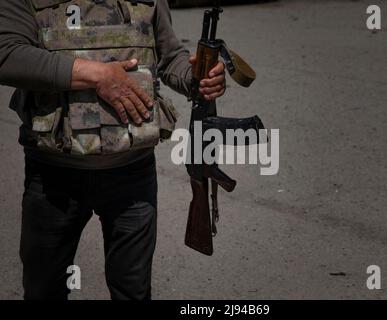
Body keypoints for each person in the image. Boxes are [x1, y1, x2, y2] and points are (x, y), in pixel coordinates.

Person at [0, 0, 226, 300]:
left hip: (133, 175)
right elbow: (6, 54)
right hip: (54, 177)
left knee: (133, 291)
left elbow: (170, 57)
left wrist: (198, 77)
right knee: (45, 290)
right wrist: (96, 74)